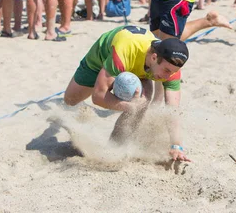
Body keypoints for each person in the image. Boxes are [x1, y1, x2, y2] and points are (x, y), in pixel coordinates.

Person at [63, 25, 191, 161]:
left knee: (141, 104)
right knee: (70, 101)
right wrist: (128, 106)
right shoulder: (124, 52)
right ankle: (82, 121)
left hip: (141, 69)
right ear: (154, 58)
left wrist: (176, 145)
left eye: (173, 72)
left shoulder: (171, 68)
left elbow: (173, 111)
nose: (168, 76)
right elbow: (98, 96)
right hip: (101, 59)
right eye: (166, 71)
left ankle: (114, 148)